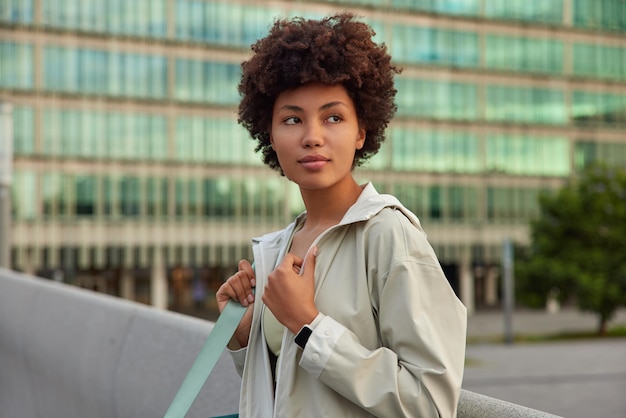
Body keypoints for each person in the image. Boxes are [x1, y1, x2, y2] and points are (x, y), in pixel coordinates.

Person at [215, 12, 467, 417]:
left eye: (333, 117)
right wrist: (247, 338)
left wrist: (308, 324)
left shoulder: (388, 235)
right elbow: (294, 392)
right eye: (292, 119)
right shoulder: (279, 246)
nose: (312, 136)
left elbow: (431, 404)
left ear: (361, 132)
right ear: (271, 136)